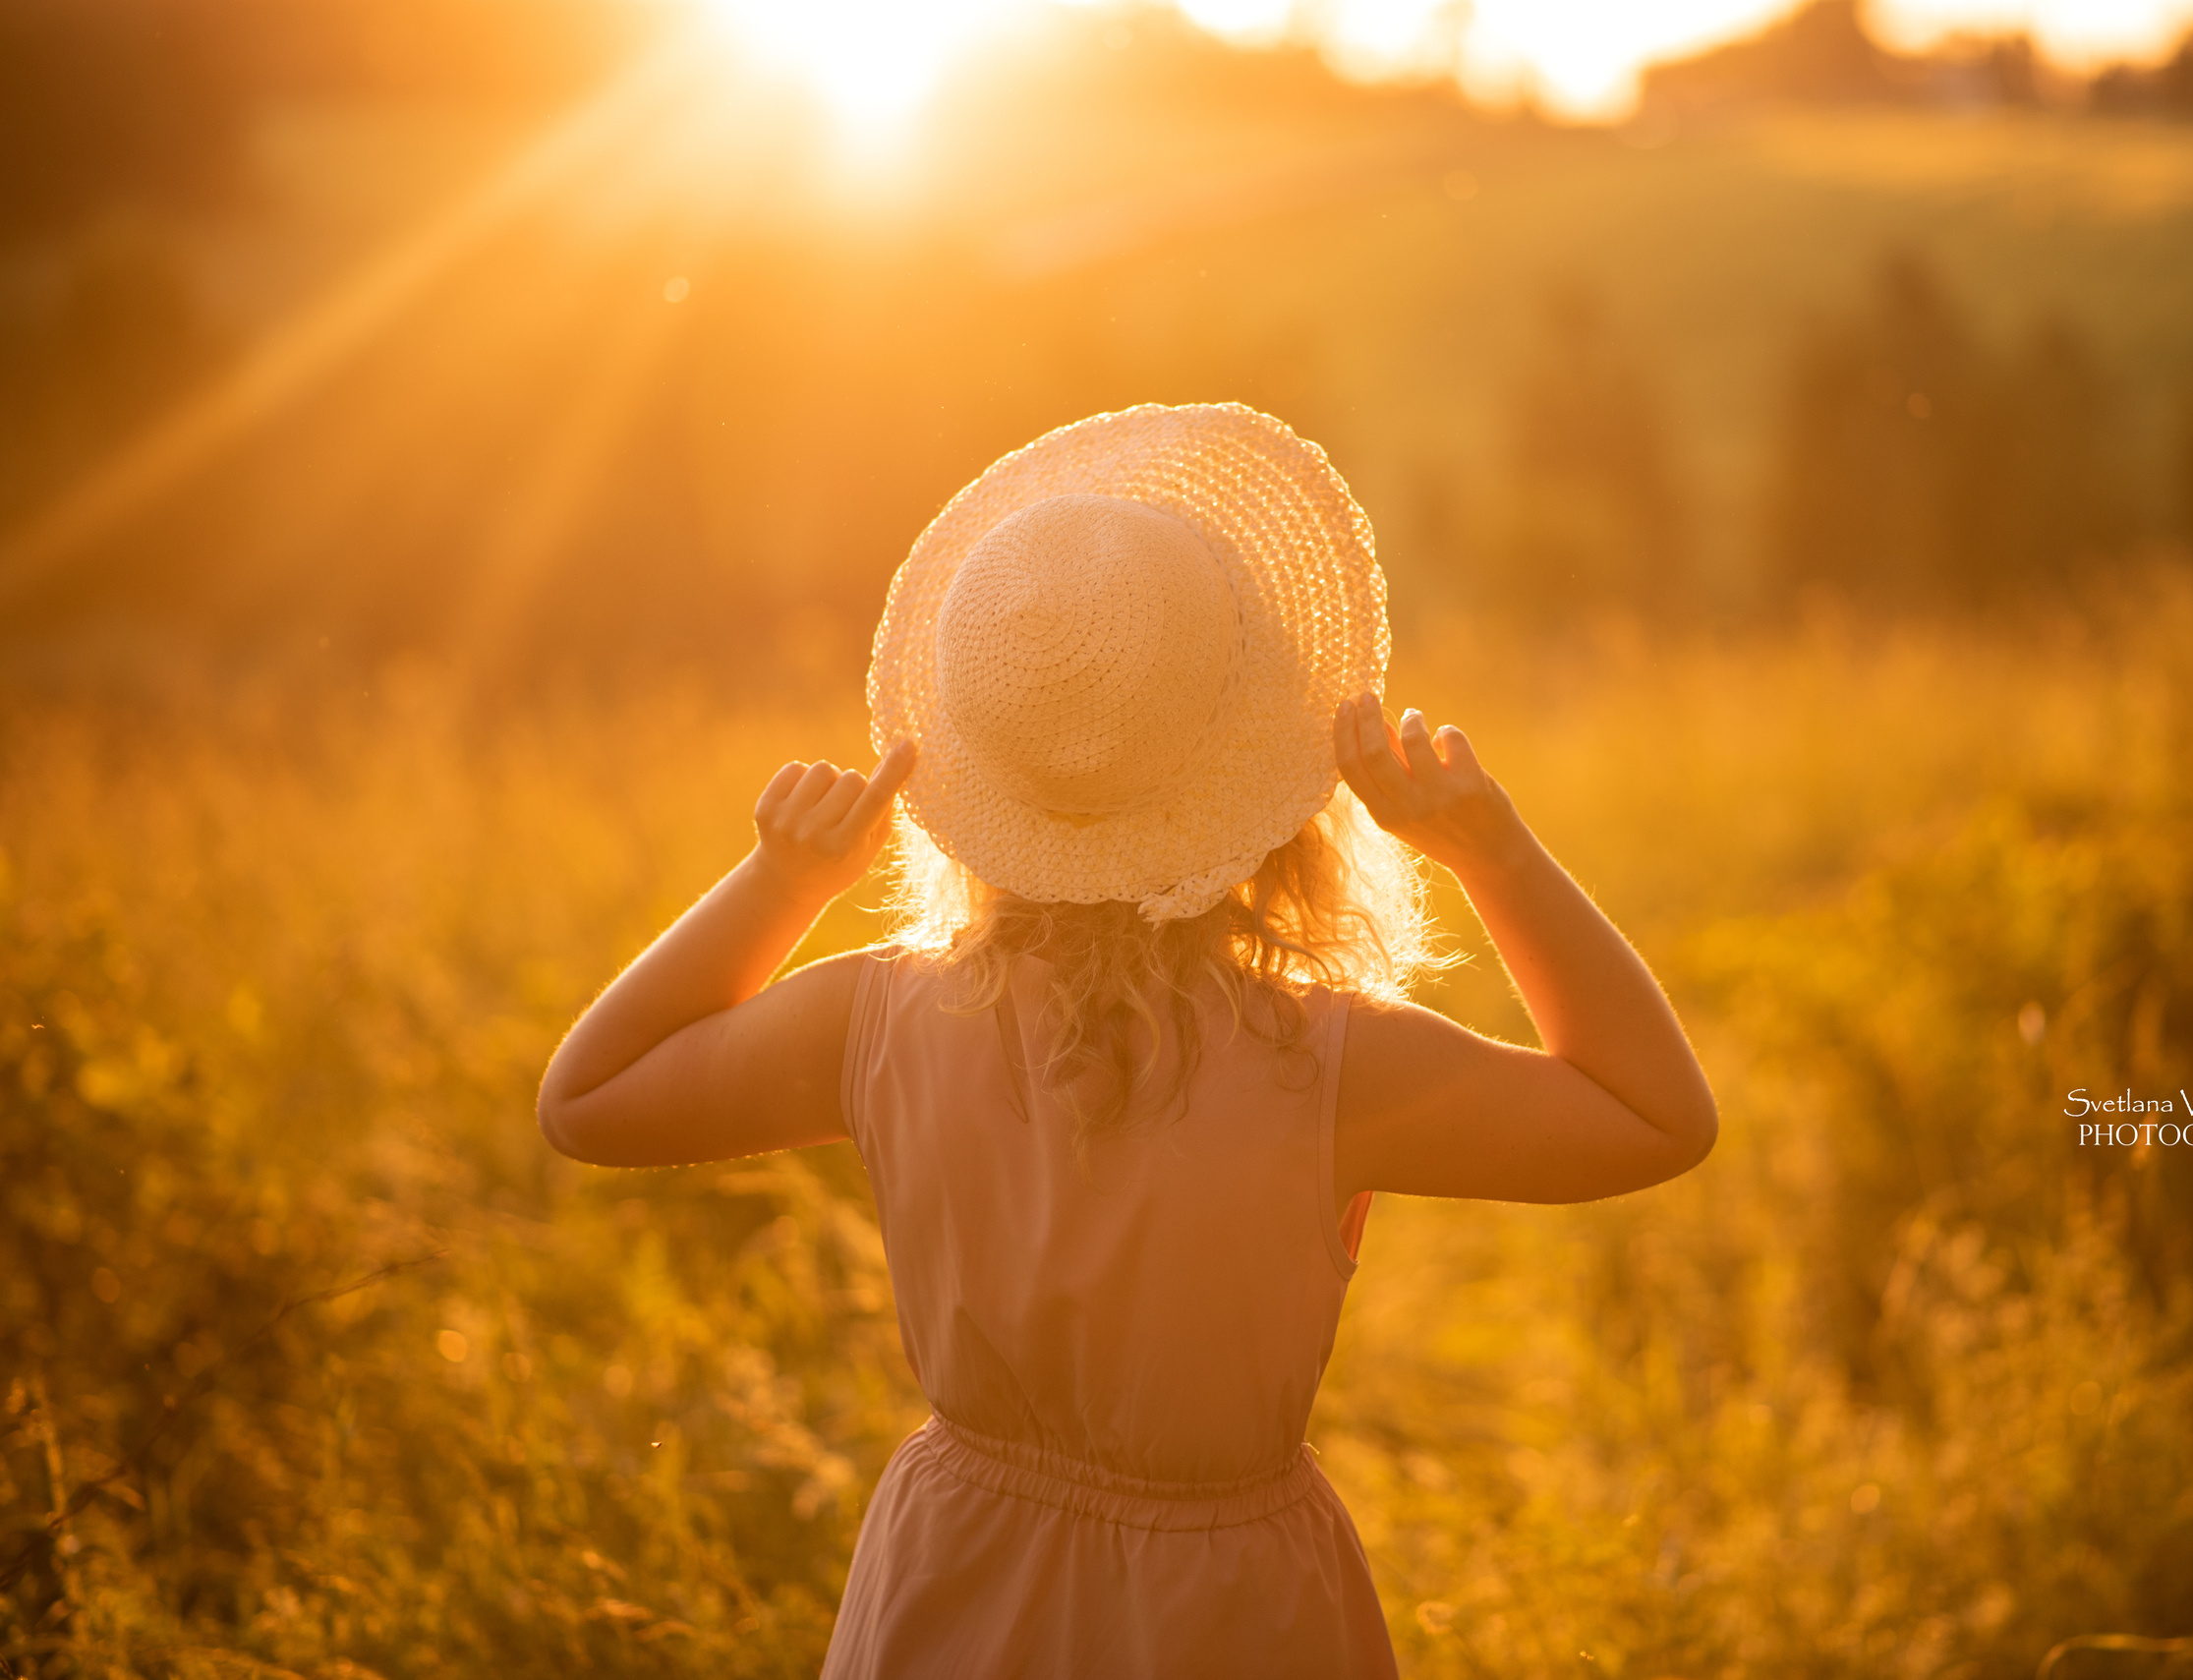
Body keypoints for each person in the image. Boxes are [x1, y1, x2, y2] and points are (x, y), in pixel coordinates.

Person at [537, 403, 1718, 1677]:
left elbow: (589, 1097)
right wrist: (1493, 852)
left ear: (987, 773)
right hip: (1223, 1618)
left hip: (953, 1586)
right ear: (1270, 782)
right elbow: (1656, 1113)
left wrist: (782, 884)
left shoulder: (876, 1016)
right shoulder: (1322, 1058)